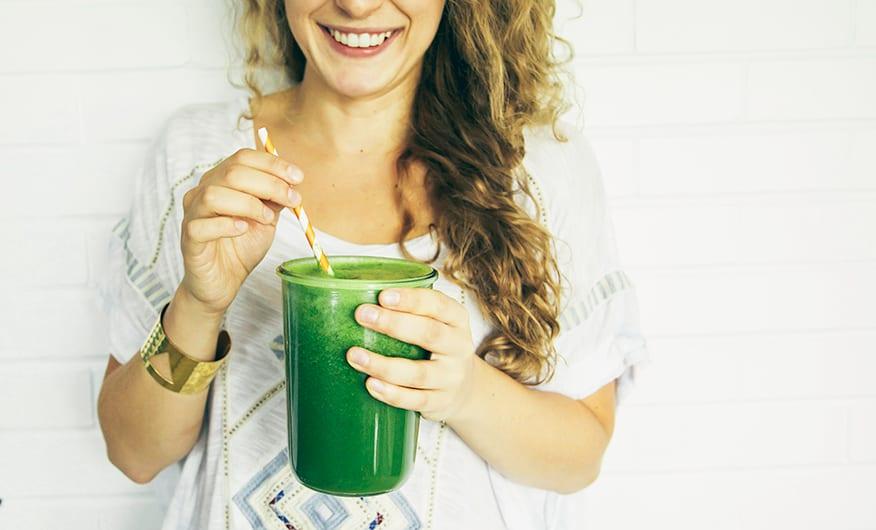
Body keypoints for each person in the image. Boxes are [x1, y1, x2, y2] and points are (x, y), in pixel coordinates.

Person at [96, 0, 649, 528]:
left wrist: (465, 391)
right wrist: (198, 304)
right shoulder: (198, 162)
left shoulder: (536, 173)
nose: (357, 6)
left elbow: (580, 458)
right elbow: (133, 452)